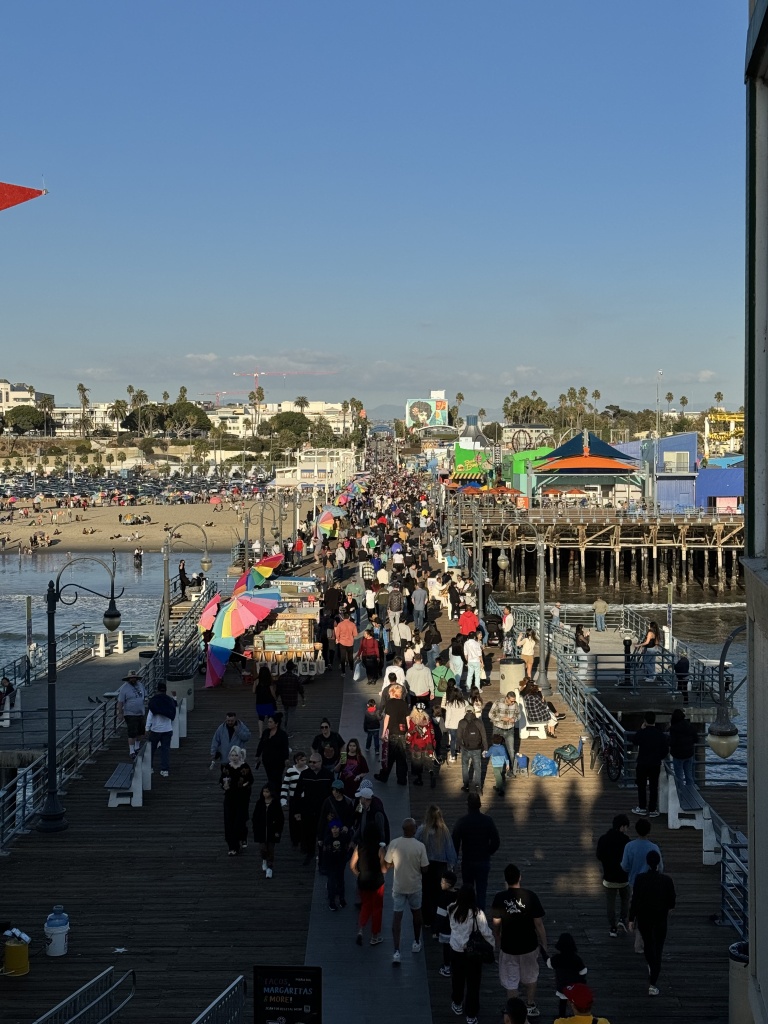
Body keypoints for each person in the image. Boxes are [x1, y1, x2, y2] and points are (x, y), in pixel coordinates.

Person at [491, 863, 547, 1020]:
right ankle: (530, 1004)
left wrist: (497, 938)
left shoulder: (499, 898)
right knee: (531, 975)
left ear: (505, 880)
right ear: (520, 877)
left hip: (508, 946)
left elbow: (496, 923)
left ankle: (512, 1008)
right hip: (529, 945)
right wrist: (544, 944)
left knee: (511, 980)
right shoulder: (530, 896)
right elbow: (538, 924)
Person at [380, 817, 430, 965]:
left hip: (399, 886)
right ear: (414, 830)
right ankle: (416, 942)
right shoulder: (420, 846)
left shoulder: (394, 843)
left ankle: (396, 951)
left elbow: (387, 865)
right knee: (416, 913)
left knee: (397, 918)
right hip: (415, 886)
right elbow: (425, 869)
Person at [628, 850, 676, 996]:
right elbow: (672, 902)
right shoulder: (667, 880)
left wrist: (631, 919)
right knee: (658, 949)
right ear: (659, 863)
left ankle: (651, 965)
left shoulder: (640, 879)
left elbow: (635, 900)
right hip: (660, 919)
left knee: (648, 945)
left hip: (644, 919)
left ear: (647, 863)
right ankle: (653, 983)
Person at [447, 885, 496, 1024]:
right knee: (473, 984)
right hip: (473, 953)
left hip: (456, 950)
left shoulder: (451, 908)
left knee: (457, 979)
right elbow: (486, 933)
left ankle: (457, 1003)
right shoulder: (477, 913)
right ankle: (471, 1014)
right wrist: (492, 946)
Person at [452, 791, 500, 910]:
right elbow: (496, 841)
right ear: (480, 804)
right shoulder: (488, 821)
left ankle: (468, 918)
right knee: (481, 892)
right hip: (483, 859)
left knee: (467, 891)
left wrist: (454, 861)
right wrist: (488, 852)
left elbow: (455, 843)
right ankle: (480, 919)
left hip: (467, 861)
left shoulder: (462, 822)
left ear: (467, 805)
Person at [416, 804, 458, 930]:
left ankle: (427, 920)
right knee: (440, 894)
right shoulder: (443, 830)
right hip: (441, 866)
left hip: (426, 866)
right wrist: (452, 865)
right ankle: (438, 920)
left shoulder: (422, 830)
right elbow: (450, 849)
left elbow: (416, 846)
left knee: (426, 893)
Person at [350, 821, 386, 945]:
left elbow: (352, 865)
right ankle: (374, 937)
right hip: (377, 882)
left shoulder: (359, 847)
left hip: (363, 881)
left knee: (365, 905)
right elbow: (384, 869)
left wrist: (358, 874)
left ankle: (360, 930)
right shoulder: (380, 849)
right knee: (377, 909)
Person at [294, 752, 334, 865]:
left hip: (323, 809)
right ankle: (310, 853)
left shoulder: (328, 774)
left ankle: (323, 856)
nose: (311, 764)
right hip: (308, 809)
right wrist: (297, 810)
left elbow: (332, 793)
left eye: (314, 762)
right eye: (310, 762)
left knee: (324, 833)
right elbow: (297, 792)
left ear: (320, 762)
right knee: (309, 833)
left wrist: (331, 811)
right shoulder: (305, 774)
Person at [595, 814, 631, 937]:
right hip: (623, 877)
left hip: (609, 876)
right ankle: (622, 919)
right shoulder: (626, 841)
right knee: (625, 899)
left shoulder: (603, 839)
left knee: (610, 903)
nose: (626, 830)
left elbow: (599, 856)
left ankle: (612, 927)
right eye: (626, 827)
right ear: (622, 827)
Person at [630, 711, 669, 816]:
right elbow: (665, 750)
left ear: (645, 721)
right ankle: (652, 809)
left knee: (641, 786)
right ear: (654, 720)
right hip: (655, 763)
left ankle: (642, 807)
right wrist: (659, 757)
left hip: (642, 762)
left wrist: (641, 729)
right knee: (653, 786)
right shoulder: (659, 734)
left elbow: (634, 740)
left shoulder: (642, 733)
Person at [219, 746, 254, 856]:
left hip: (241, 798)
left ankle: (241, 838)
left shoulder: (244, 767)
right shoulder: (226, 767)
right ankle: (232, 846)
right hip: (229, 797)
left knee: (239, 820)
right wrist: (224, 786)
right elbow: (221, 780)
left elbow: (250, 780)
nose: (234, 757)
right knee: (229, 821)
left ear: (240, 756)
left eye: (236, 755)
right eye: (232, 755)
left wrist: (244, 785)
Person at [374, 682, 410, 786]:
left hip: (392, 733)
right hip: (402, 733)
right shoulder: (404, 704)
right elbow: (408, 719)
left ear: (393, 693)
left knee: (389, 757)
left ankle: (384, 776)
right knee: (401, 757)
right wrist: (409, 732)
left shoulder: (390, 703)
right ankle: (402, 779)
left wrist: (383, 732)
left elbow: (387, 718)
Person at [546, 933, 588, 1018]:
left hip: (562, 986)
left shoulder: (557, 958)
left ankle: (561, 1017)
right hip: (574, 987)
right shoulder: (576, 959)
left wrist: (543, 951)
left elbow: (548, 963)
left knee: (563, 1002)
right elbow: (583, 971)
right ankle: (577, 1016)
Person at [251, 784, 284, 879]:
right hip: (261, 831)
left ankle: (270, 866)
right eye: (264, 791)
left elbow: (280, 818)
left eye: (267, 792)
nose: (265, 794)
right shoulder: (260, 803)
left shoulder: (275, 804)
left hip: (272, 831)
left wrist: (278, 830)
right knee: (262, 848)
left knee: (271, 849)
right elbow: (255, 817)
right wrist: (255, 828)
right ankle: (264, 859)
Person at [321, 815, 353, 910]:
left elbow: (348, 848)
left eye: (336, 827)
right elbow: (325, 853)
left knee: (340, 882)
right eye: (333, 828)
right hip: (331, 864)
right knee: (332, 882)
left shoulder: (343, 838)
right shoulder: (328, 839)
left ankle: (341, 899)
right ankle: (332, 901)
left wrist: (346, 858)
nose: (335, 830)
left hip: (340, 863)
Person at [255, 712, 290, 797]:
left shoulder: (282, 734)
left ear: (276, 723)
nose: (268, 723)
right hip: (267, 760)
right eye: (268, 722)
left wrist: (286, 758)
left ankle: (278, 795)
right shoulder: (266, 732)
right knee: (270, 778)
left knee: (277, 778)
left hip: (279, 761)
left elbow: (285, 747)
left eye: (271, 722)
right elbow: (261, 744)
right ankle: (273, 794)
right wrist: (257, 755)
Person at [145, 681, 177, 778]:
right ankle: (164, 770)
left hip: (155, 730)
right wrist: (174, 697)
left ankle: (150, 768)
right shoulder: (169, 700)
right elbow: (174, 705)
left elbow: (150, 715)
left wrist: (147, 728)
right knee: (165, 750)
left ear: (157, 689)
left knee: (151, 750)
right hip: (167, 729)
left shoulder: (154, 700)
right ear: (165, 690)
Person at [456, 707, 488, 792]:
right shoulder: (479, 722)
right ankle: (478, 787)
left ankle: (466, 786)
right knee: (477, 767)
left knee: (464, 767)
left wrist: (457, 748)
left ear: (465, 712)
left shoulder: (461, 722)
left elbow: (459, 737)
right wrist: (486, 748)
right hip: (477, 748)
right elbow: (484, 736)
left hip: (466, 748)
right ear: (474, 712)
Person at [117, 670, 147, 759]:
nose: (133, 679)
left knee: (140, 732)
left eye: (135, 677)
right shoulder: (124, 688)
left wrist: (146, 700)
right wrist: (120, 713)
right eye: (131, 678)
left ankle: (137, 747)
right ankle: (131, 751)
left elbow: (145, 695)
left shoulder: (141, 685)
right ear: (128, 679)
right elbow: (120, 702)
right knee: (132, 733)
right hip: (130, 714)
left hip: (141, 712)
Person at [280, 750, 308, 847]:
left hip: (305, 799)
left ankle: (303, 837)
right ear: (296, 760)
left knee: (304, 818)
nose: (304, 762)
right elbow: (285, 786)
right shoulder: (290, 771)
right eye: (301, 760)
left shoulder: (308, 770)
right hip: (293, 798)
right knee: (293, 820)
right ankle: (294, 839)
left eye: (305, 760)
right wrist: (283, 800)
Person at [489, 691, 521, 766]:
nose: (513, 702)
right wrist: (501, 718)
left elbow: (519, 715)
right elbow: (490, 715)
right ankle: (498, 766)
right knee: (496, 749)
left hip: (510, 729)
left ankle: (512, 767)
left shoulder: (515, 704)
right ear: (506, 698)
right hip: (498, 728)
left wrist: (515, 719)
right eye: (511, 701)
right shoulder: (498, 703)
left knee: (511, 750)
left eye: (514, 700)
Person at [407, 705, 437, 787]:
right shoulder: (428, 720)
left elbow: (410, 733)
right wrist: (432, 744)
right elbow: (432, 733)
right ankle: (431, 774)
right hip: (427, 744)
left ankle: (419, 780)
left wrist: (408, 740)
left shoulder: (413, 720)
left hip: (416, 745)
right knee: (429, 762)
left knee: (417, 764)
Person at [668, 707, 698, 787]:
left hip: (678, 755)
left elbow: (672, 742)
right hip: (689, 753)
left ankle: (680, 794)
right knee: (689, 775)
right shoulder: (689, 726)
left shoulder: (673, 728)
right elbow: (696, 739)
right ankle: (691, 791)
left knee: (679, 776)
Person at [275, 660, 305, 734]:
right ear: (292, 669)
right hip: (293, 699)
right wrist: (303, 697)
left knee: (286, 713)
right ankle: (288, 732)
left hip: (284, 698)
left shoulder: (281, 677)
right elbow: (300, 689)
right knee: (291, 714)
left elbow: (278, 689)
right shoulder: (296, 678)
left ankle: (285, 728)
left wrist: (276, 698)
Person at [443, 683, 468, 763]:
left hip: (452, 725)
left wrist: (446, 725)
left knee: (453, 740)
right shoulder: (465, 703)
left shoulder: (450, 704)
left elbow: (448, 716)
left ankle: (453, 756)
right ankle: (460, 751)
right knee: (461, 739)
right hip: (462, 724)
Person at [253, 665, 277, 737]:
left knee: (261, 718)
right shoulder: (269, 681)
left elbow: (253, 691)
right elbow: (272, 692)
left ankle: (260, 734)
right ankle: (270, 732)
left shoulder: (257, 681)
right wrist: (275, 698)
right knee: (270, 718)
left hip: (259, 702)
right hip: (269, 702)